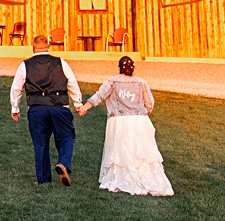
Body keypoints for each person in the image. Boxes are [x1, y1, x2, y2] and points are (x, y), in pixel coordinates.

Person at [83, 55, 173, 196]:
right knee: (141, 151)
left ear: (119, 68)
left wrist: (84, 107)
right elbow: (150, 103)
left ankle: (122, 177)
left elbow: (99, 96)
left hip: (120, 121)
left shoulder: (112, 81)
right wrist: (142, 114)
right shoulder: (141, 82)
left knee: (122, 150)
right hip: (140, 121)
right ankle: (147, 178)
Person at [10, 34, 83, 185]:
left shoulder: (25, 65)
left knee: (40, 143)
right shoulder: (60, 62)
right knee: (67, 137)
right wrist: (77, 103)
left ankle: (43, 180)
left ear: (33, 47)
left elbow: (17, 88)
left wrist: (15, 107)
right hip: (59, 107)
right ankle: (63, 163)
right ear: (49, 46)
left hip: (37, 108)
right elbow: (72, 82)